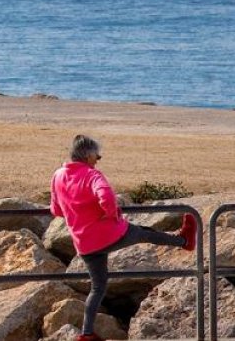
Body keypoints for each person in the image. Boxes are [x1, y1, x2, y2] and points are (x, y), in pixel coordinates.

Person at [51, 135, 196, 341]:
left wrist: (77, 209)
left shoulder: (57, 175)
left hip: (84, 244)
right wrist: (111, 213)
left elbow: (56, 210)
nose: (98, 158)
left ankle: (86, 333)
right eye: (96, 155)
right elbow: (106, 196)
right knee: (145, 233)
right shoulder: (93, 175)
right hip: (108, 235)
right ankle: (184, 241)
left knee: (98, 287)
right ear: (88, 154)